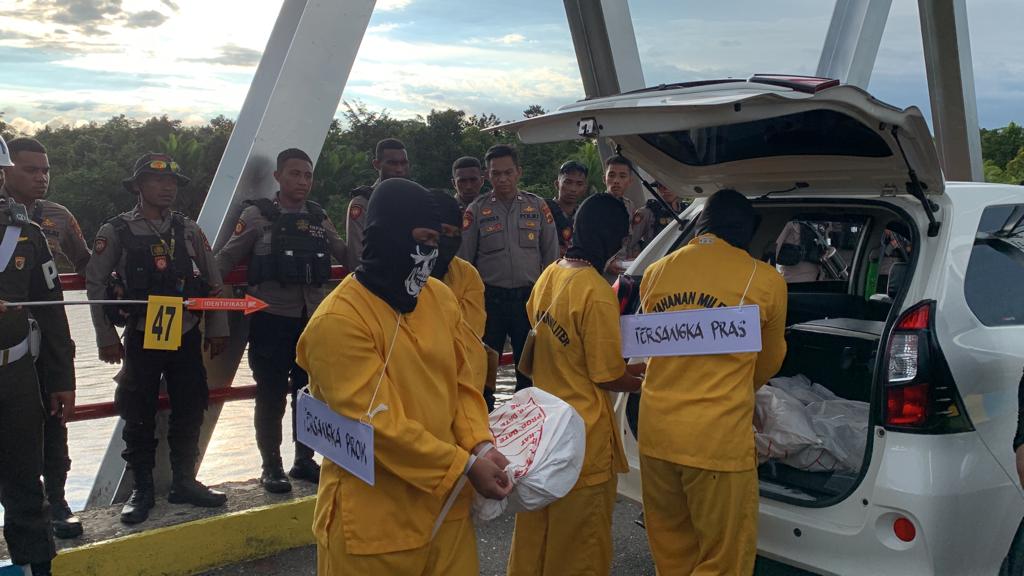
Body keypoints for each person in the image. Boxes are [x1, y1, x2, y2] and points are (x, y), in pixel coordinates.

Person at [295, 178, 512, 575]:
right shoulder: (339, 321)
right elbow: (376, 426)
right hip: (375, 526)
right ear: (388, 236)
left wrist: (480, 445)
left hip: (446, 512)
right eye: (423, 240)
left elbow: (464, 382)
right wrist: (464, 467)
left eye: (437, 241)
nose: (432, 254)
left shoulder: (438, 297)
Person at [637, 189, 788, 575]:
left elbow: (655, 347)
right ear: (747, 230)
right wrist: (740, 389)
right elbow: (769, 361)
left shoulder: (655, 272)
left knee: (672, 553)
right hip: (716, 443)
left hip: (655, 436)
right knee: (723, 560)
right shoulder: (766, 280)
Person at [86, 153, 230, 525]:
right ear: (138, 186)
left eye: (172, 183)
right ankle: (142, 489)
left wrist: (217, 327)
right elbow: (96, 285)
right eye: (157, 180)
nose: (167, 188)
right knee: (138, 412)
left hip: (185, 331)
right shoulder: (116, 231)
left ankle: (185, 481)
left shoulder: (188, 229)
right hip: (140, 333)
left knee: (190, 406)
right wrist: (105, 337)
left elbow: (213, 280)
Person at [507, 193, 644, 575]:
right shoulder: (596, 292)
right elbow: (608, 375)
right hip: (583, 439)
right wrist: (648, 378)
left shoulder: (551, 273)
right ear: (612, 237)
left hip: (544, 432)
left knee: (535, 534)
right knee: (580, 545)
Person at [215, 148, 347, 493]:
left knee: (309, 393)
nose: (302, 181)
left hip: (312, 320)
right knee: (270, 394)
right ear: (278, 176)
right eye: (294, 174)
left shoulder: (318, 216)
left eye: (308, 175)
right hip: (270, 317)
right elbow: (226, 258)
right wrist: (202, 292)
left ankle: (304, 460)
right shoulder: (257, 216)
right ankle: (271, 466)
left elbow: (344, 253)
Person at [0, 136, 90, 539]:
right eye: (30, 170)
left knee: (52, 425)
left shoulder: (55, 218)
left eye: (45, 170)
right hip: (10, 345)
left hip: (38, 348)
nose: (41, 178)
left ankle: (56, 501)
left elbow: (85, 264)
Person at [458, 144, 559, 397]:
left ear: (518, 172)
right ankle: (484, 415)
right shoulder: (476, 210)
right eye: (496, 173)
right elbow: (464, 262)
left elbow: (551, 257)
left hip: (528, 300)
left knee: (530, 371)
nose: (502, 179)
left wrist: (549, 301)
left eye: (508, 172)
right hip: (489, 301)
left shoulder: (537, 206)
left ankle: (528, 417)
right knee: (484, 369)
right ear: (487, 175)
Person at [344, 138, 409, 272]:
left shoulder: (415, 199)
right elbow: (357, 256)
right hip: (377, 278)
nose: (399, 169)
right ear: (376, 164)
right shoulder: (363, 203)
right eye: (392, 163)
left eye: (403, 163)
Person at [624, 181, 686, 258]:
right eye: (661, 186)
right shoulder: (647, 212)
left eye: (670, 185)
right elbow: (629, 243)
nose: (666, 190)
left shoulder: (688, 210)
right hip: (659, 259)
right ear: (657, 188)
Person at [545, 160, 589, 257]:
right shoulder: (543, 209)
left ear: (584, 188)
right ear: (557, 184)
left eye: (579, 184)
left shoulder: (586, 216)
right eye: (568, 182)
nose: (573, 189)